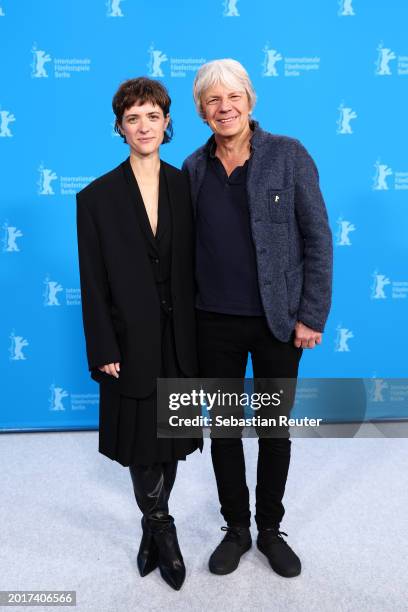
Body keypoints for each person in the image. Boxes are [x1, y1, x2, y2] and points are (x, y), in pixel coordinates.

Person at [182, 59, 333, 577]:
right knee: (223, 430)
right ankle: (237, 528)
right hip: (212, 322)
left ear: (250, 100)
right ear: (202, 111)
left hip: (278, 322)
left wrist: (310, 315)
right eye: (212, 100)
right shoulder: (193, 168)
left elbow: (317, 238)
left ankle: (270, 529)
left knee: (273, 431)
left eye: (233, 97)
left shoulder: (289, 156)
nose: (224, 108)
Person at [76, 77, 202, 591]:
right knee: (141, 441)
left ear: (167, 122)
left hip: (182, 337)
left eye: (153, 115)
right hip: (129, 340)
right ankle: (162, 528)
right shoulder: (96, 198)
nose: (143, 126)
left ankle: (152, 527)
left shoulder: (185, 185)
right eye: (133, 118)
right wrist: (103, 345)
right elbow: (93, 279)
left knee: (170, 436)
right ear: (119, 127)